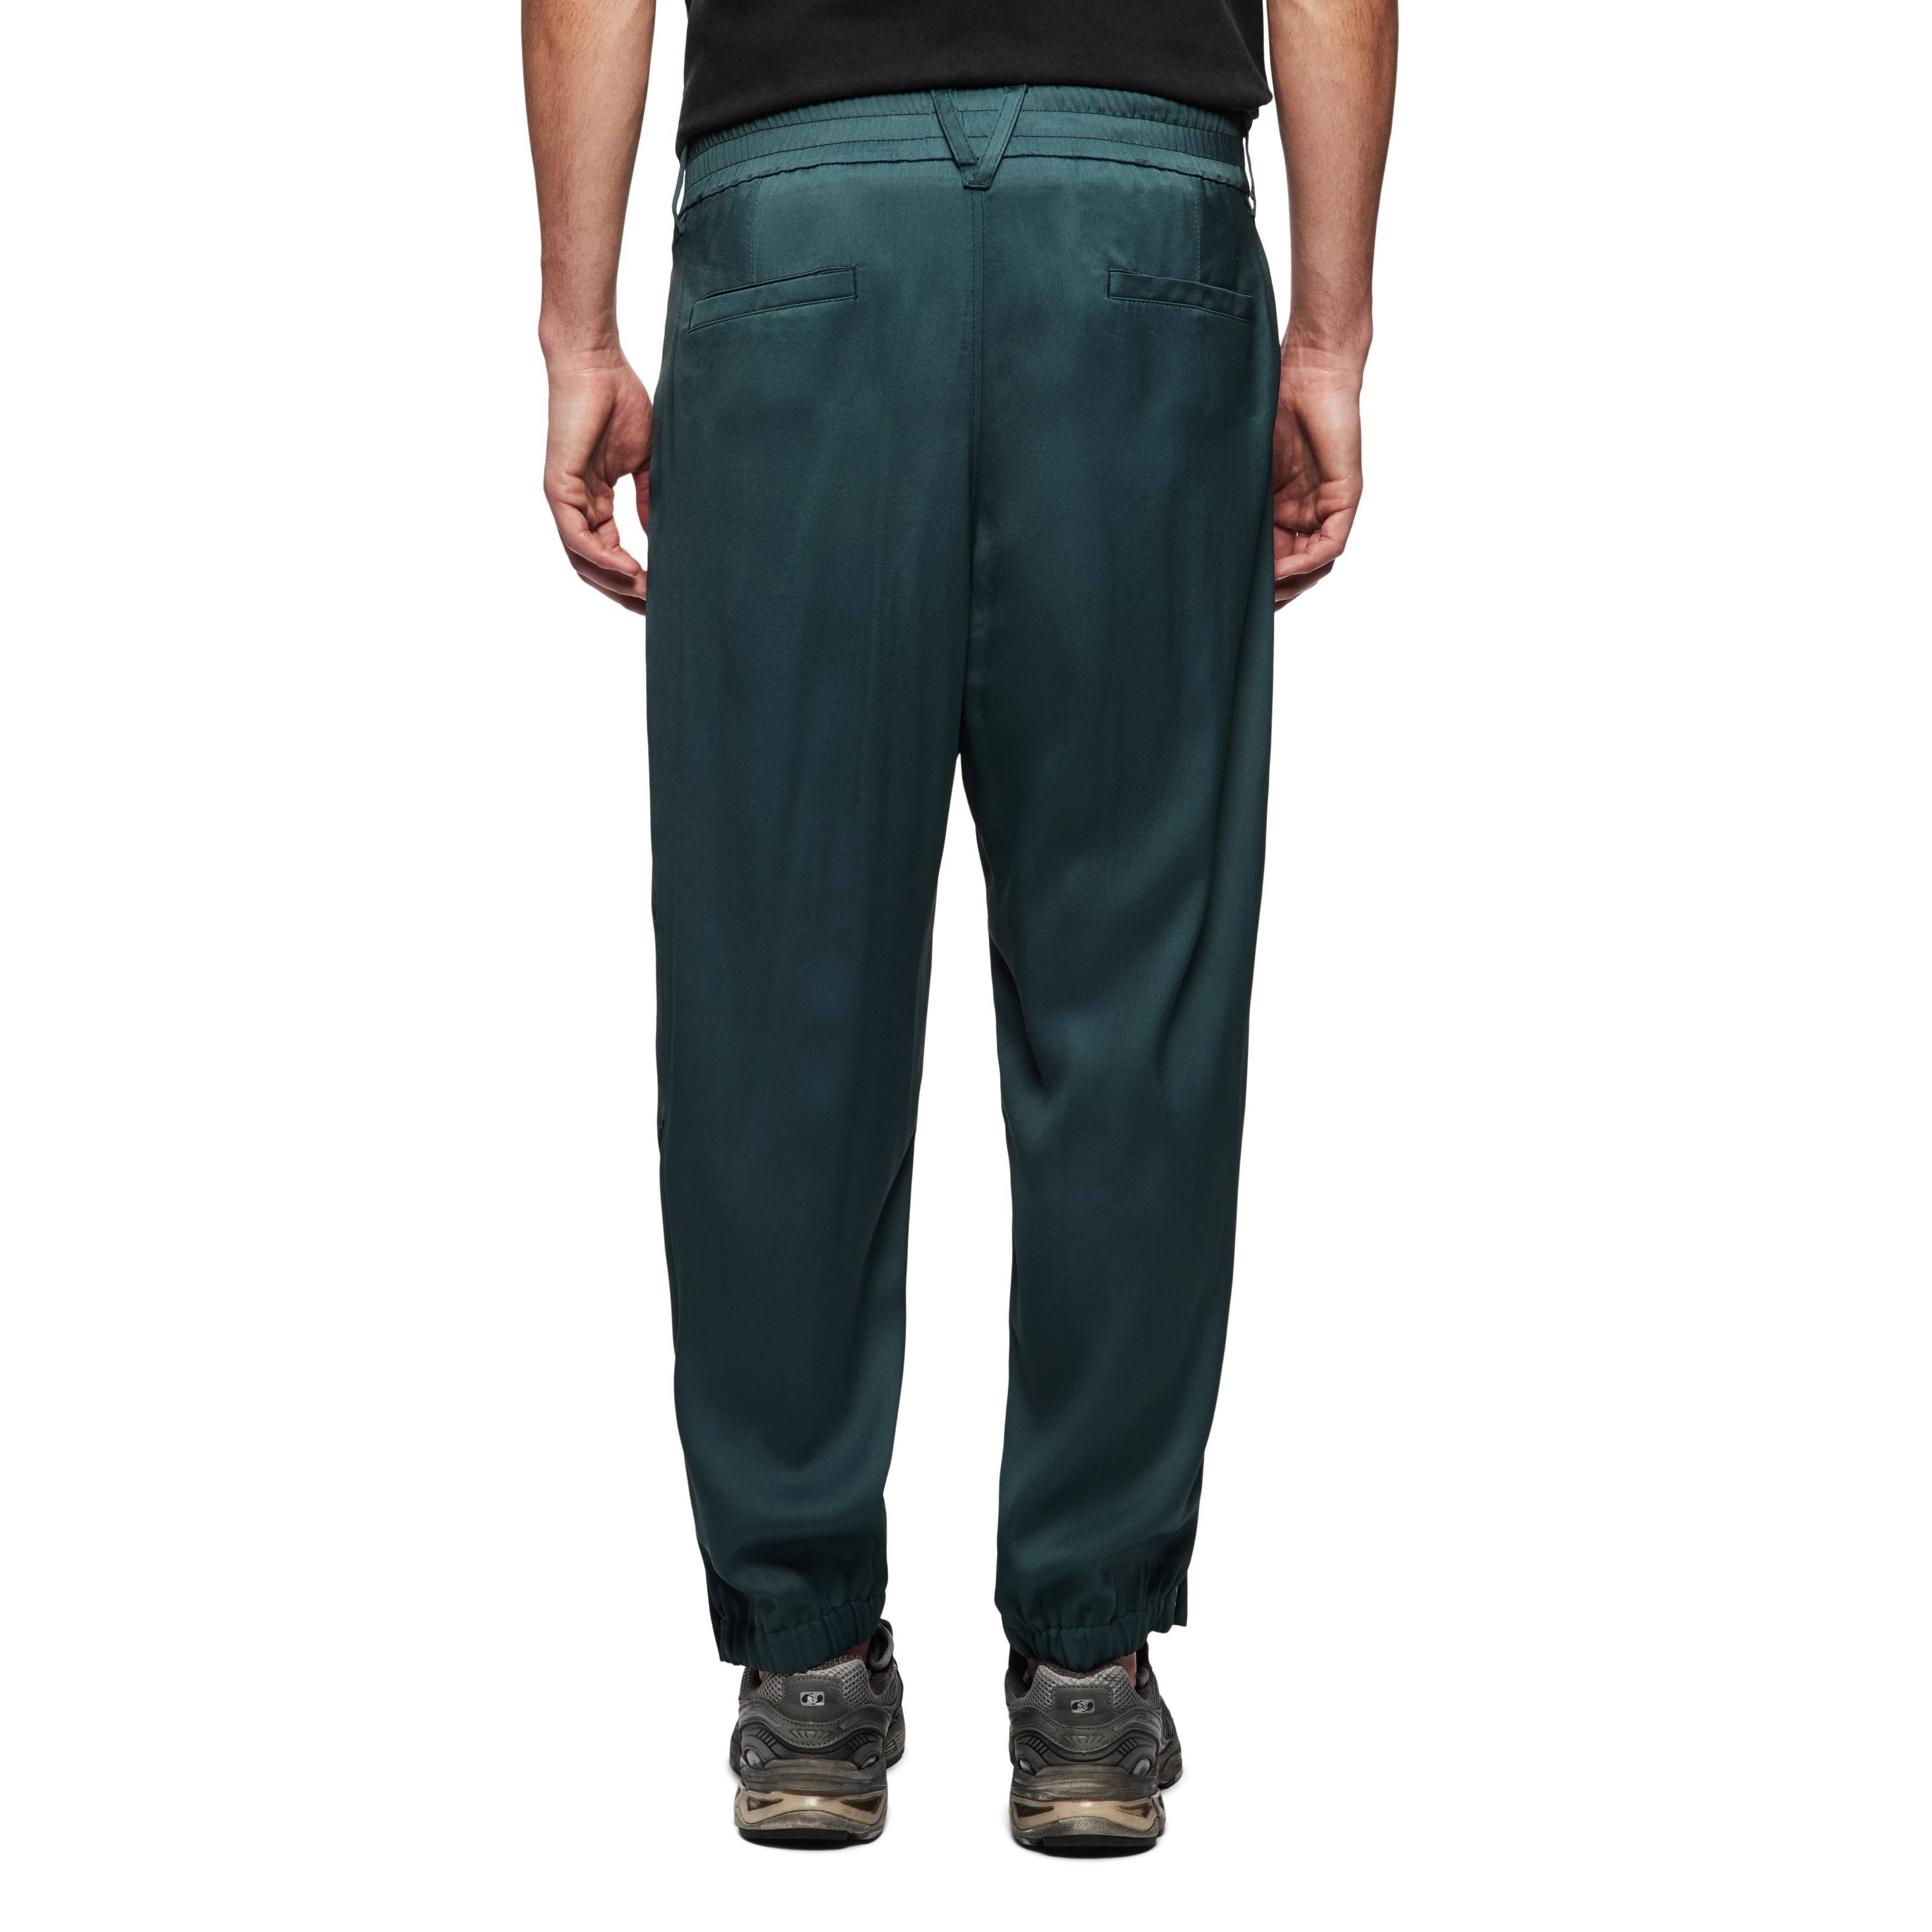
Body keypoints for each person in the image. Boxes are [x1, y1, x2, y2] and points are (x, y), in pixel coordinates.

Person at [523, 0, 1397, 1844]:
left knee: (775, 977)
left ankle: (805, 1674)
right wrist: (1330, 335)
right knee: (1137, 972)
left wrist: (578, 327)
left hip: (800, 227)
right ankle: (1087, 1684)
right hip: (1135, 225)